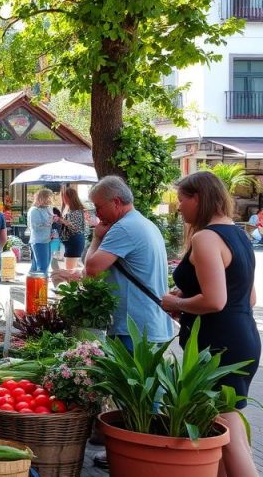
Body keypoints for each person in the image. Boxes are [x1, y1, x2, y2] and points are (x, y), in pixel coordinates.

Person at [160, 172, 258, 477]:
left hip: (217, 345)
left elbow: (215, 301)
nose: (179, 207)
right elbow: (248, 296)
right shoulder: (239, 234)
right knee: (223, 431)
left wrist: (177, 304)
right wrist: (188, 296)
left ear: (197, 198)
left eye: (181, 200)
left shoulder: (205, 237)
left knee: (229, 439)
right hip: (243, 336)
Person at [62, 176, 173, 347]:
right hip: (150, 324)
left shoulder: (124, 227)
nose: (97, 213)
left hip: (133, 329)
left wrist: (97, 237)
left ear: (116, 202)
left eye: (98, 207)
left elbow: (91, 270)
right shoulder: (144, 223)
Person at [55, 187, 88, 269]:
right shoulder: (71, 209)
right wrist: (60, 221)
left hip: (74, 240)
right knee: (70, 269)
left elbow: (75, 228)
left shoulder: (76, 211)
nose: (63, 199)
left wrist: (62, 221)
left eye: (64, 197)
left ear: (69, 197)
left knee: (70, 270)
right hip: (72, 240)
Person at [27, 189, 54, 275]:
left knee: (38, 266)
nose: (50, 200)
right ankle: (41, 287)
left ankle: (32, 286)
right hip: (39, 241)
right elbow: (35, 227)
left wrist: (54, 218)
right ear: (42, 198)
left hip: (47, 240)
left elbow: (51, 219)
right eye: (48, 197)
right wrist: (50, 222)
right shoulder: (34, 210)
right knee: (43, 267)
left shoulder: (47, 208)